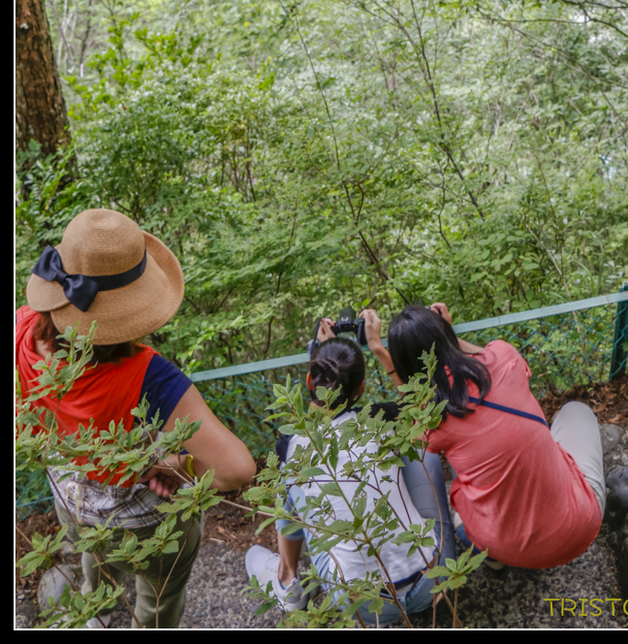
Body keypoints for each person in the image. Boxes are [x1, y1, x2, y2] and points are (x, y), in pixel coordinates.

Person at [16, 208, 256, 628]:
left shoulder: (21, 332)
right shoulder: (150, 377)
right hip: (149, 524)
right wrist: (169, 464)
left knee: (97, 566)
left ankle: (99, 614)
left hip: (75, 508)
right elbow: (236, 470)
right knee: (159, 601)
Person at [360, 303, 606, 571]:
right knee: (576, 410)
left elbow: (416, 406)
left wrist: (380, 352)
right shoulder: (505, 357)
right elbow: (479, 355)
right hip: (579, 528)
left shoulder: (433, 418)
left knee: (461, 489)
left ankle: (494, 558)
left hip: (507, 548)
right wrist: (446, 334)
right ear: (446, 334)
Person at [244, 319, 456, 626]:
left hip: (360, 605)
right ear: (362, 389)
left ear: (308, 381)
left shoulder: (291, 442)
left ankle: (288, 579)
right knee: (422, 449)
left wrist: (319, 354)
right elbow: (423, 409)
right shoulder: (380, 418)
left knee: (291, 481)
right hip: (431, 583)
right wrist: (379, 349)